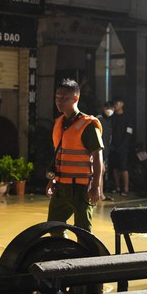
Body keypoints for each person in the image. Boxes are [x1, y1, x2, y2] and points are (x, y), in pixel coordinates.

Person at [46, 78, 104, 234]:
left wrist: (95, 186)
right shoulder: (58, 123)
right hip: (61, 186)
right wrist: (51, 180)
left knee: (83, 230)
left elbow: (98, 158)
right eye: (57, 98)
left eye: (64, 98)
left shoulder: (88, 125)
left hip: (82, 188)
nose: (59, 101)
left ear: (76, 98)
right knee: (54, 226)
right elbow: (58, 156)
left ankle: (86, 257)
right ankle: (63, 253)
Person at [109, 97, 134, 196]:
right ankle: (117, 186)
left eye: (117, 103)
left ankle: (126, 188)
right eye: (114, 103)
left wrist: (123, 145)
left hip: (123, 147)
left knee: (123, 167)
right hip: (113, 146)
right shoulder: (112, 118)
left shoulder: (127, 118)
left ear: (122, 104)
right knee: (114, 167)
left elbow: (129, 133)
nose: (115, 105)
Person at [96, 101, 114, 197]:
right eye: (108, 108)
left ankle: (100, 193)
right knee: (100, 171)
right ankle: (99, 193)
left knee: (101, 172)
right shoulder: (98, 119)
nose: (110, 111)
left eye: (111, 109)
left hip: (105, 151)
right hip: (99, 151)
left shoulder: (109, 121)